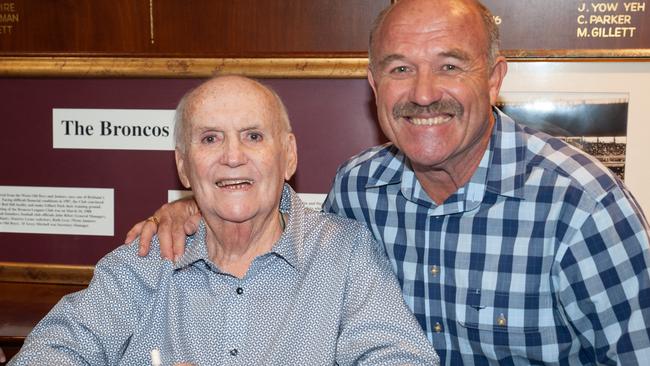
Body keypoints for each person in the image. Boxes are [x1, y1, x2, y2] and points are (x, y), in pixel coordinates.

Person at [127, 0, 650, 364]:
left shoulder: (583, 208)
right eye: (399, 69)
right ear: (374, 85)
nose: (423, 94)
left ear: (494, 78)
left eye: (449, 65)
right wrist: (198, 207)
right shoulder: (359, 189)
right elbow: (285, 245)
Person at [10, 76, 439, 365]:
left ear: (288, 155)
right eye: (210, 138)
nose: (233, 157)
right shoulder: (144, 260)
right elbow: (49, 353)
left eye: (253, 136)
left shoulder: (346, 256)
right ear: (183, 166)